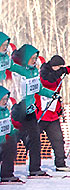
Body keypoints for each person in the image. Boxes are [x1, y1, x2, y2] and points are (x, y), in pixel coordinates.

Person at [8, 43, 55, 177]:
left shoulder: (34, 71)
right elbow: (10, 66)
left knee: (35, 140)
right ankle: (6, 172)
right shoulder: (18, 70)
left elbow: (39, 89)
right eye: (32, 58)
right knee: (11, 141)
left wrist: (52, 94)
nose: (35, 60)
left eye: (36, 57)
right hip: (17, 111)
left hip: (30, 112)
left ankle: (35, 169)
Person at [37, 55, 70, 172]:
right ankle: (32, 167)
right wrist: (63, 71)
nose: (60, 69)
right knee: (32, 140)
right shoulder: (44, 72)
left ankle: (60, 164)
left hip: (52, 115)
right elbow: (49, 81)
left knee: (58, 139)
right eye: (58, 67)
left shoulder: (57, 74)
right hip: (40, 114)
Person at [0, 85, 21, 183]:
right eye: (2, 99)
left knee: (10, 147)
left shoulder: (5, 111)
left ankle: (7, 175)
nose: (5, 101)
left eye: (6, 99)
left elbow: (9, 127)